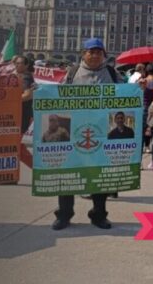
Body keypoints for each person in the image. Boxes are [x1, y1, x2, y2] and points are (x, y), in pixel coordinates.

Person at [52, 38, 120, 231]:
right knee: (68, 174)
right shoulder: (72, 73)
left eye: (99, 52)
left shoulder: (112, 74)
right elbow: (58, 97)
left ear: (104, 55)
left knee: (100, 175)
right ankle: (64, 214)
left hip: (101, 133)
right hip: (74, 131)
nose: (95, 55)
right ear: (84, 53)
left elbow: (126, 97)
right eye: (91, 51)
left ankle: (99, 215)